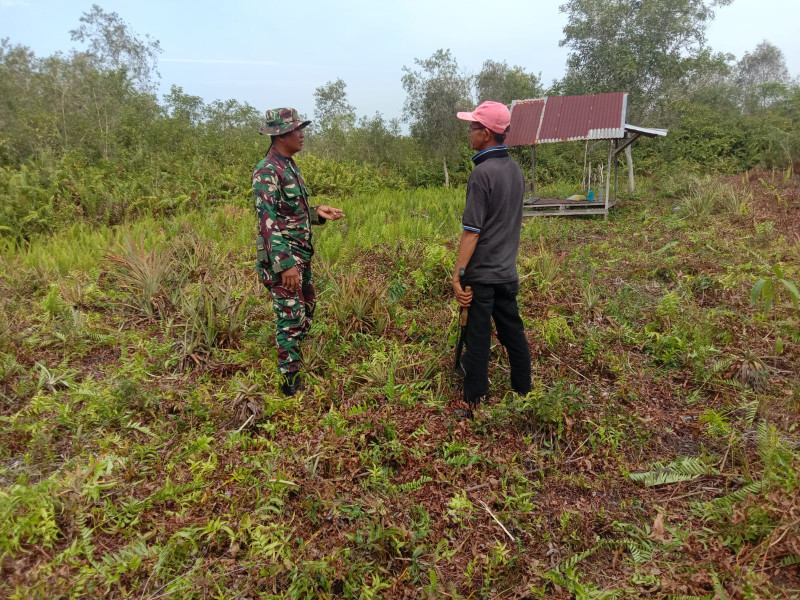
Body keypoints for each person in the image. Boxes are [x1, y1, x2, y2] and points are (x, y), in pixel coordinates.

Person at [252, 107, 345, 396]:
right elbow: (267, 222)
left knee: (307, 309)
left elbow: (289, 211)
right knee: (290, 317)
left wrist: (318, 212)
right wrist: (285, 264)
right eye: (297, 130)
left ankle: (294, 361)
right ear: (281, 135)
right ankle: (290, 384)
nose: (302, 134)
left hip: (302, 255)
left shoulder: (289, 166)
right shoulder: (266, 171)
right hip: (286, 260)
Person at [452, 101, 532, 413]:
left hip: (482, 275)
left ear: (486, 134)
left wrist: (458, 272)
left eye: (472, 128)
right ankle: (523, 389)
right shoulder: (515, 170)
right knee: (514, 331)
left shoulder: (482, 173)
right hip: (506, 272)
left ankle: (475, 400)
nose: (469, 134)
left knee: (478, 336)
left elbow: (472, 231)